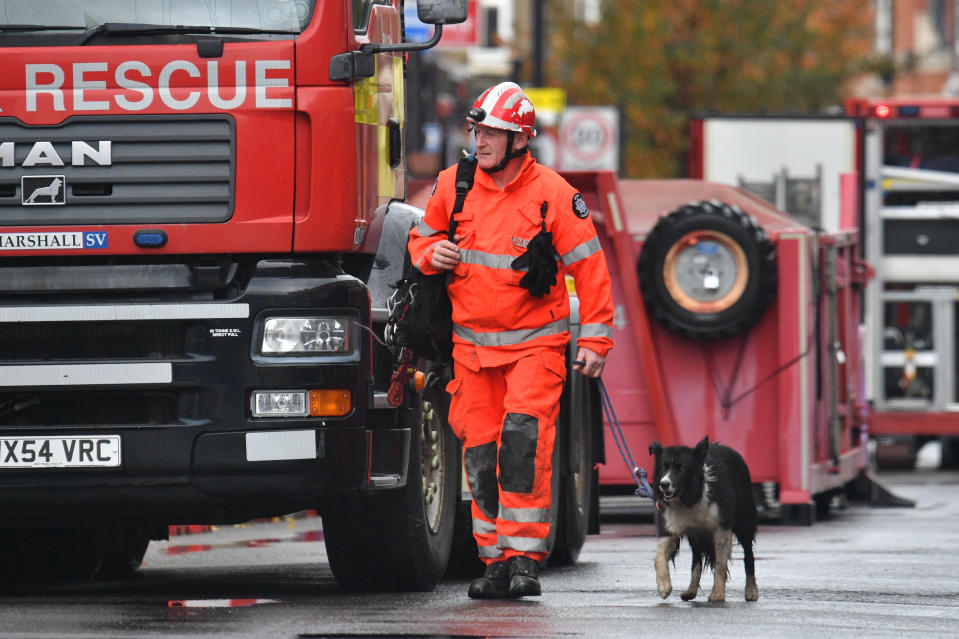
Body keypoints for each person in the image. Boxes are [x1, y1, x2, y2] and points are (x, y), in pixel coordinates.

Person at [408, 81, 614, 599]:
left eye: (492, 133)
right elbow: (422, 238)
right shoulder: (454, 184)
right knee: (479, 457)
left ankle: (525, 558)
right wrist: (433, 254)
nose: (479, 141)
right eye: (477, 131)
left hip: (533, 350)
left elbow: (591, 268)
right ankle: (494, 560)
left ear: (519, 140)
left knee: (522, 447)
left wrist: (595, 339)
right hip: (472, 354)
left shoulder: (553, 195)